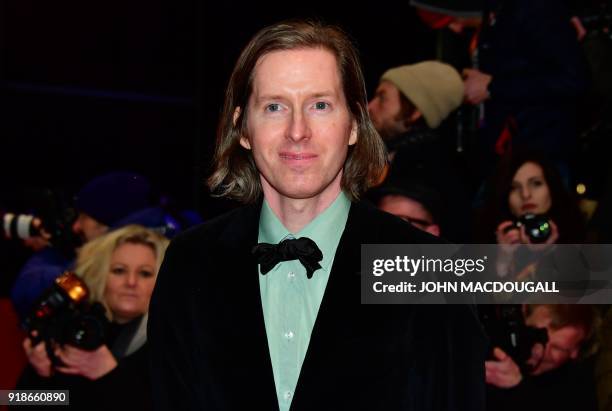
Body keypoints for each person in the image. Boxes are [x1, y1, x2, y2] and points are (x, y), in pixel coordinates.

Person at [149, 20, 486, 411]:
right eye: (275, 107)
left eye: (320, 106)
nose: (297, 131)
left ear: (354, 125)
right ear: (243, 128)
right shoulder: (190, 262)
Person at [15, 225, 168, 411]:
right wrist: (41, 375)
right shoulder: (72, 326)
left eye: (145, 273)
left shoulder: (168, 344)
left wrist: (108, 374)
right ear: (101, 275)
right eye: (119, 270)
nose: (131, 282)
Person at [11, 172, 169, 319]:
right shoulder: (162, 244)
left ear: (104, 222)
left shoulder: (122, 253)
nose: (76, 227)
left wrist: (51, 249)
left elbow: (29, 290)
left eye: (84, 217)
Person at [367, 61, 471, 241]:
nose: (370, 107)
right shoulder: (387, 156)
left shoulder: (431, 167)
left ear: (415, 111)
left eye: (382, 98)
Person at [476, 150, 586, 279]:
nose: (525, 194)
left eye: (536, 183)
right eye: (514, 188)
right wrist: (502, 263)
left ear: (551, 188)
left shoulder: (577, 238)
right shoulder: (490, 245)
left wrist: (548, 254)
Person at [485, 304, 599, 411]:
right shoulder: (488, 340)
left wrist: (519, 394)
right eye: (535, 334)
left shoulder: (578, 391)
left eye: (557, 348)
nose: (540, 351)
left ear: (574, 352)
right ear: (523, 312)